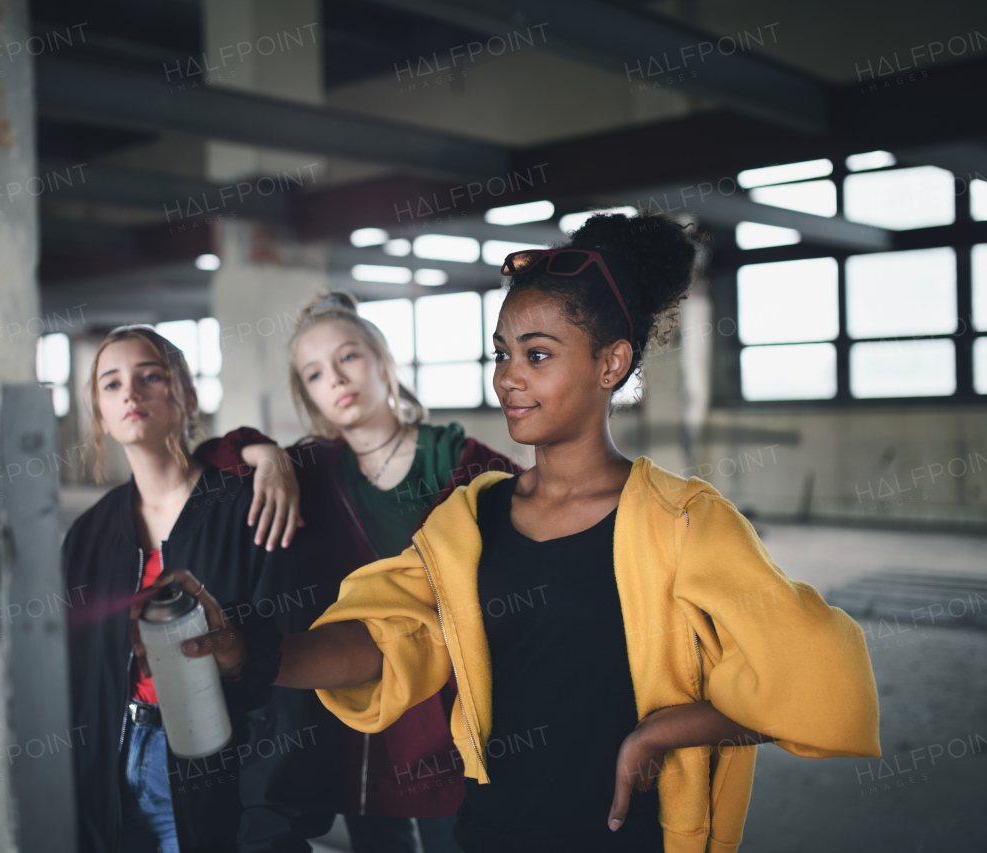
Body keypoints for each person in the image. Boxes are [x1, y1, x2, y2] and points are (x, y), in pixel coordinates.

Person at [173, 213, 883, 852]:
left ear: (612, 361)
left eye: (537, 354)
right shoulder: (469, 518)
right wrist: (255, 654)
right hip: (491, 831)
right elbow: (387, 637)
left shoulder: (682, 520)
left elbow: (824, 674)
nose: (509, 377)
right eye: (501, 352)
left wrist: (676, 726)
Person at [193, 292, 520, 853]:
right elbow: (211, 459)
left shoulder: (457, 458)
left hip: (454, 705)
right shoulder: (311, 471)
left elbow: (531, 531)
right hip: (360, 713)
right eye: (315, 374)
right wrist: (265, 454)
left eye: (348, 358)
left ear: (382, 361)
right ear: (308, 394)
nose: (336, 380)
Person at [62, 324, 318, 853]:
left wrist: (272, 820)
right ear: (101, 416)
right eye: (111, 384)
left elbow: (289, 681)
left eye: (149, 376)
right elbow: (80, 683)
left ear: (188, 397)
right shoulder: (88, 535)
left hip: (215, 773)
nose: (130, 393)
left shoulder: (251, 507)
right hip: (112, 774)